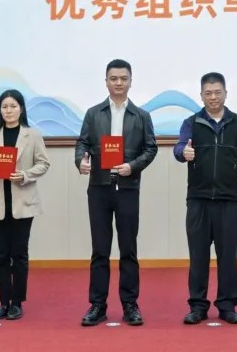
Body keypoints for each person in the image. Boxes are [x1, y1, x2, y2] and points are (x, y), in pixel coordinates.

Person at [74, 59, 158, 326]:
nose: (118, 83)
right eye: (113, 78)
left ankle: (130, 304)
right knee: (100, 250)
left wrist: (132, 166)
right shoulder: (93, 114)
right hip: (99, 188)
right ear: (106, 82)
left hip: (128, 188)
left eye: (123, 78)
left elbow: (151, 149)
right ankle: (97, 305)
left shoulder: (141, 116)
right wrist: (80, 161)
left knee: (128, 249)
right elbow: (82, 144)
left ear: (131, 81)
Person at [173, 72, 237, 325]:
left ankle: (227, 305)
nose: (213, 97)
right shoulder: (192, 122)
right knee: (198, 256)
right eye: (208, 93)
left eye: (217, 92)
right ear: (201, 95)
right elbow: (179, 147)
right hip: (198, 199)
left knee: (227, 256)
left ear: (226, 93)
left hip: (227, 200)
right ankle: (197, 306)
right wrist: (183, 152)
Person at [0, 89, 50, 320]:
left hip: (23, 202)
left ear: (21, 109)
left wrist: (25, 175)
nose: (8, 110)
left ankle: (17, 302)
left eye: (13, 106)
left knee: (19, 254)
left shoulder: (32, 135)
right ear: (0, 110)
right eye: (4, 107)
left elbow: (44, 163)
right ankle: (3, 302)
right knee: (0, 256)